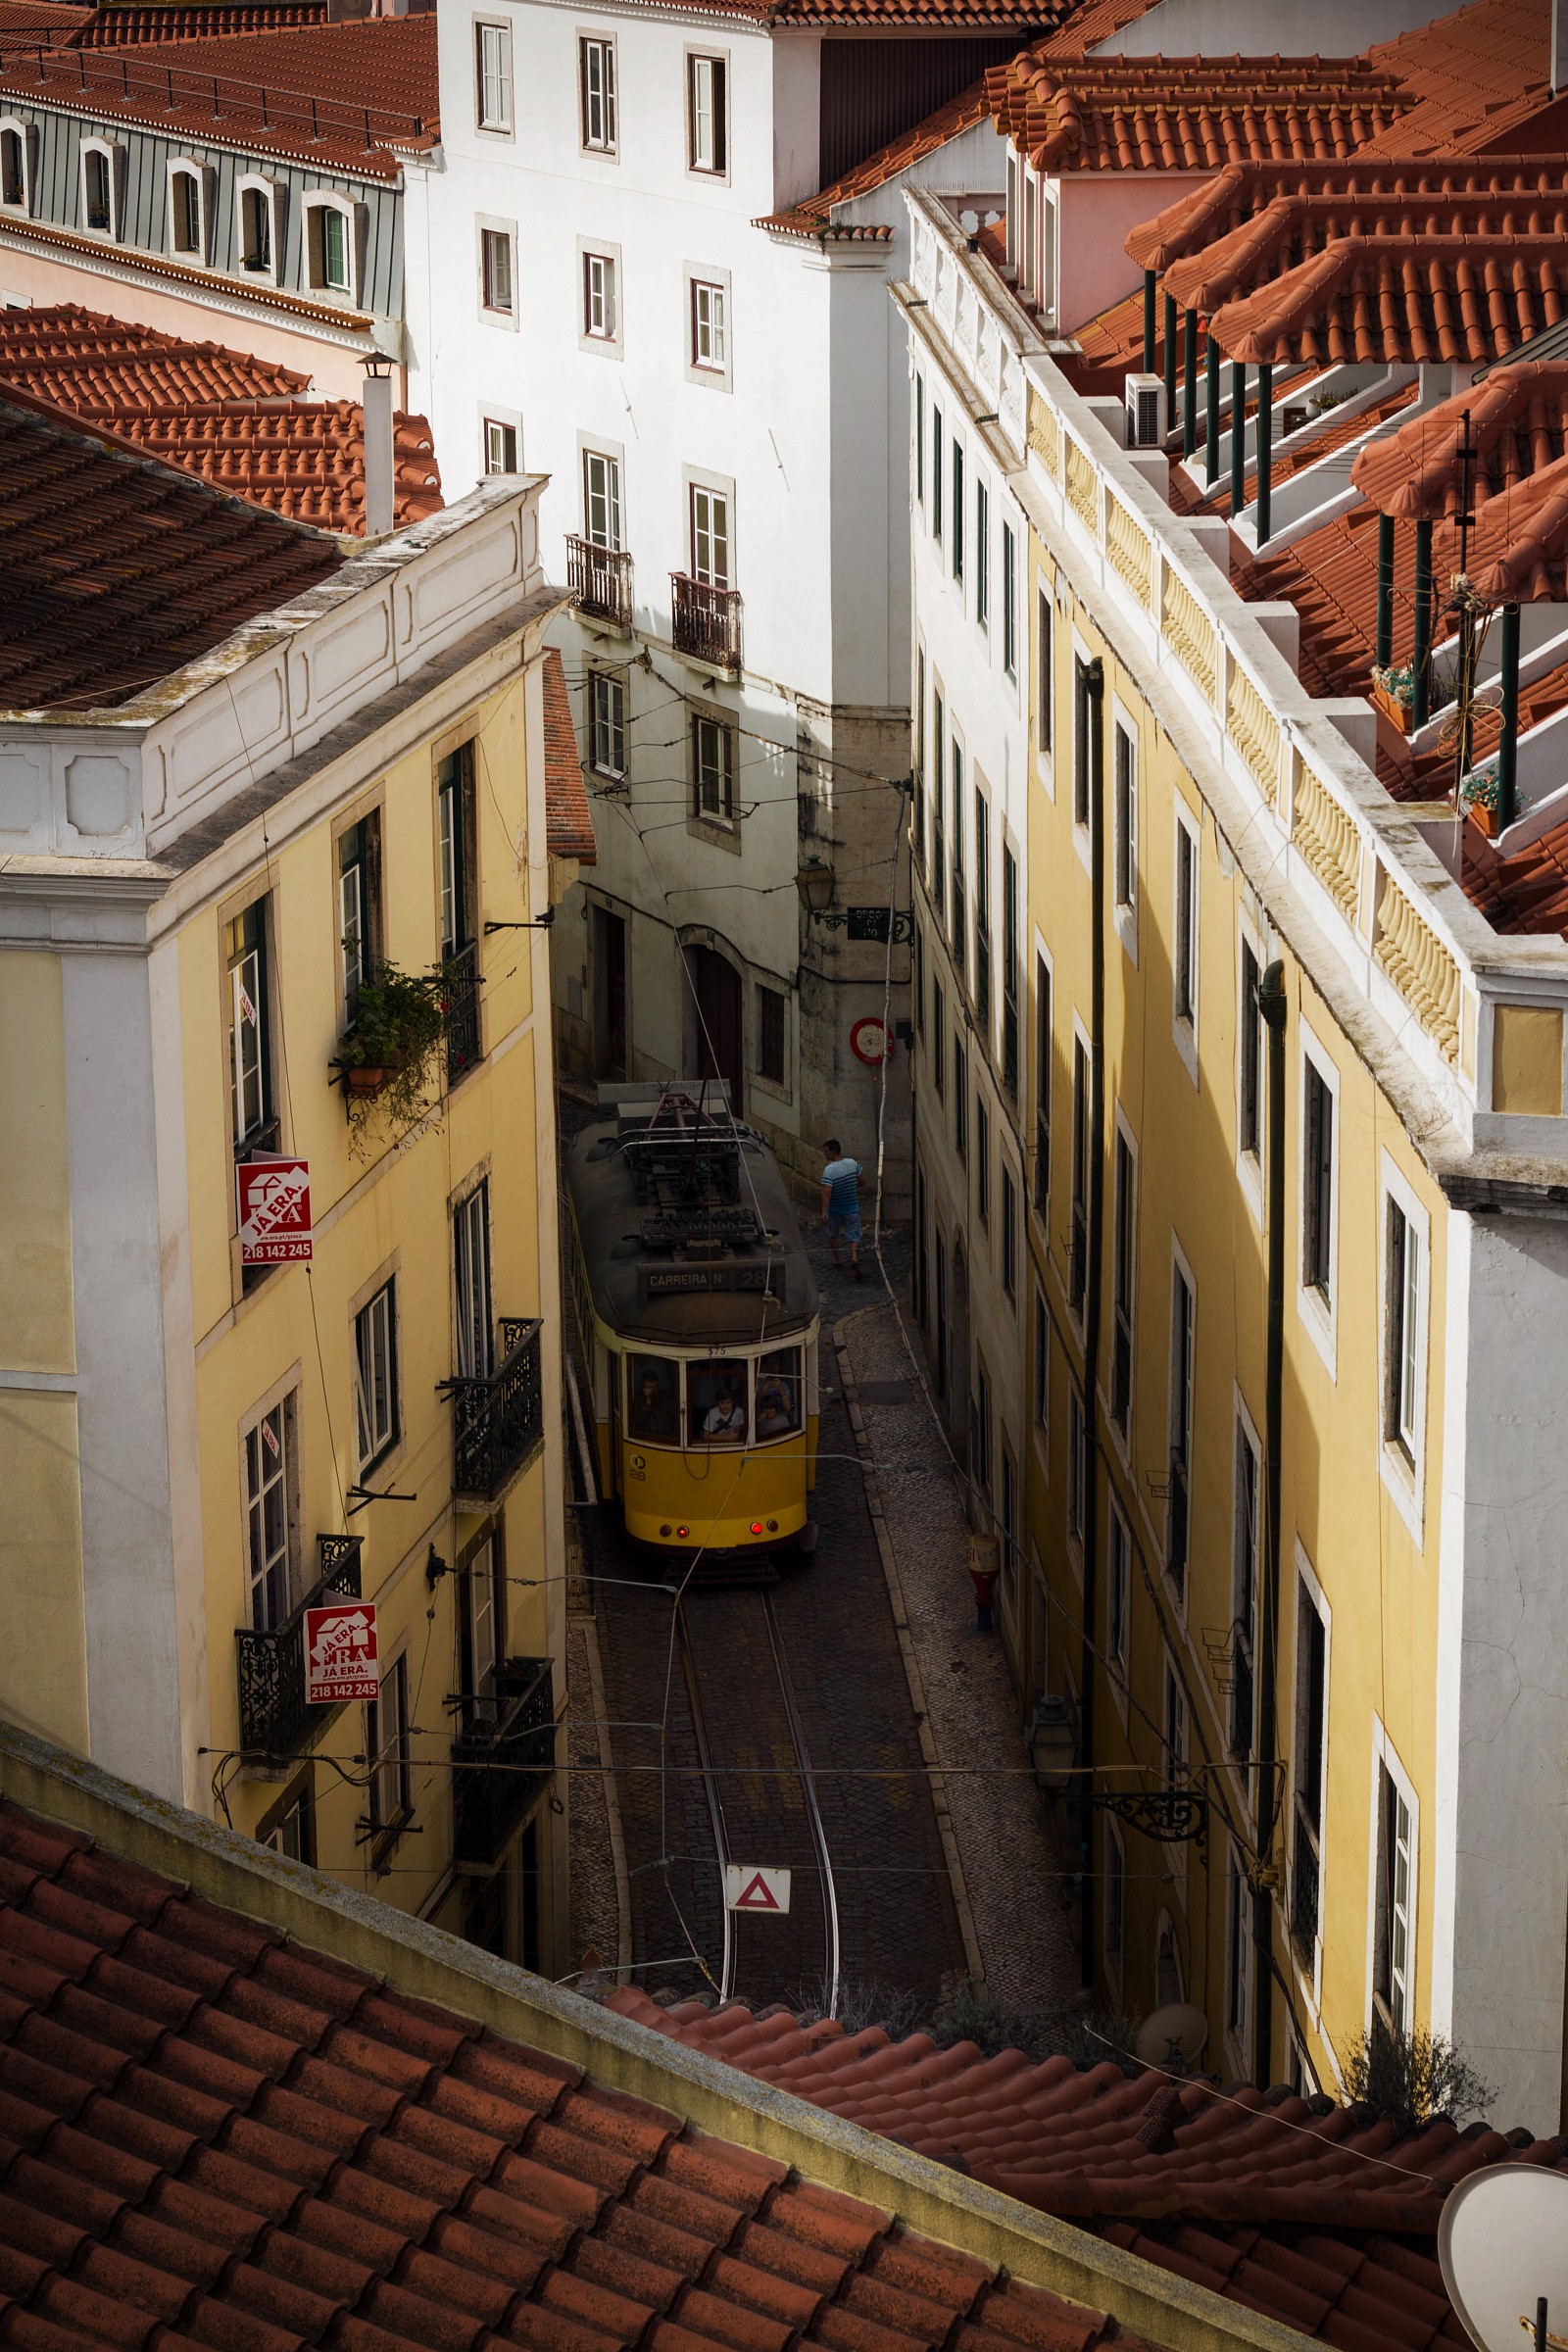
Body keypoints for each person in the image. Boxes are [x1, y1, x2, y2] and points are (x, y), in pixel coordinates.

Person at [819, 1137, 864, 1277]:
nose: (825, 1154)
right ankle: (854, 1258)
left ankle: (837, 1259)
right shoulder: (852, 1163)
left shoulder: (829, 1170)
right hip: (852, 1208)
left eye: (826, 1151)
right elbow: (863, 1181)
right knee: (854, 1235)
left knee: (833, 1234)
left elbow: (827, 1191)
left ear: (833, 1151)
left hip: (835, 1209)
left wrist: (824, 1210)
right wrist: (852, 1187)